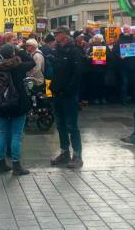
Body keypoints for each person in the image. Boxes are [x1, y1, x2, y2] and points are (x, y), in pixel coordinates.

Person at [0, 44, 35, 175]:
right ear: (13, 53)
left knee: (3, 133)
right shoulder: (19, 67)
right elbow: (32, 62)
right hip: (18, 104)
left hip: (2, 105)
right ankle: (16, 165)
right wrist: (21, 51)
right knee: (16, 134)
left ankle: (1, 163)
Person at [49, 26, 84, 169]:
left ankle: (77, 155)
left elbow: (77, 74)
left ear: (64, 35)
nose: (55, 36)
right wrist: (50, 91)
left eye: (57, 33)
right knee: (60, 125)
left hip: (69, 95)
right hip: (57, 93)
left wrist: (69, 90)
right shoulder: (56, 50)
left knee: (72, 126)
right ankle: (64, 152)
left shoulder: (74, 51)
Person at [113, 25, 135, 104]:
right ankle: (124, 99)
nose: (125, 30)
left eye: (126, 29)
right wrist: (119, 56)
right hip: (123, 65)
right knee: (124, 82)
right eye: (124, 29)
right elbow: (115, 51)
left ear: (130, 30)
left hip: (134, 65)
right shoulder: (119, 40)